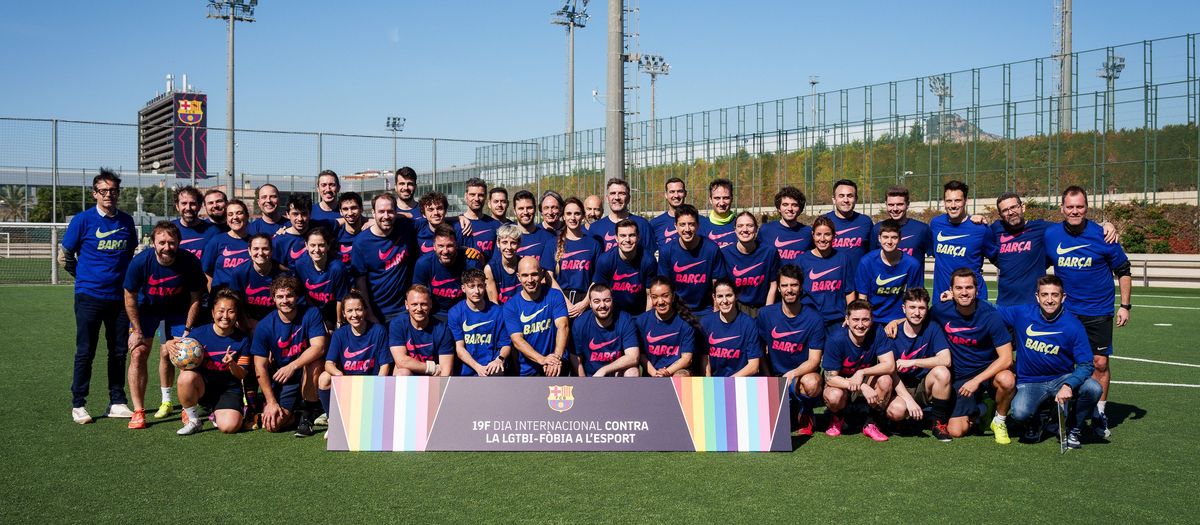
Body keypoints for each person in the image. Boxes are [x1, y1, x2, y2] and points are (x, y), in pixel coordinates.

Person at [1044, 185, 1132, 438]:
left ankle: (1099, 413)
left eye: (1079, 206)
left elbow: (1124, 270)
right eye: (1070, 207)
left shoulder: (1102, 235)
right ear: (1061, 209)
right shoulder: (1050, 234)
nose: (1074, 211)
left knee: (1100, 363)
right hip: (1065, 312)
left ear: (1087, 207)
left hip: (1098, 310)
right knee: (1063, 362)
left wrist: (1125, 306)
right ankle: (1062, 412)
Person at [62, 169, 139, 424]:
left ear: (118, 193)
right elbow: (66, 256)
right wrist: (84, 278)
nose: (108, 195)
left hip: (119, 300)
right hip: (89, 297)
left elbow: (129, 256)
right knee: (85, 351)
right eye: (103, 191)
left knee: (118, 352)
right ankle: (79, 404)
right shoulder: (82, 220)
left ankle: (117, 401)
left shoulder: (127, 222)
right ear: (95, 193)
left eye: (113, 191)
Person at [999, 275, 1103, 449]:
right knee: (1019, 414)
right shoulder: (1023, 313)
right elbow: (992, 309)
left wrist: (1069, 384)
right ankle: (1041, 417)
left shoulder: (1073, 325)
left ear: (1063, 297)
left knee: (1093, 388)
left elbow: (1086, 364)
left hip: (1061, 378)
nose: (1049, 300)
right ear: (1037, 296)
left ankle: (1074, 428)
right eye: (1045, 294)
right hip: (1030, 381)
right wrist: (956, 298)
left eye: (1054, 295)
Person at [122, 221, 205, 429]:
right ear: (153, 243)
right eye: (162, 242)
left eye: (171, 242)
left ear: (179, 242)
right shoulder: (141, 262)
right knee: (138, 353)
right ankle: (139, 411)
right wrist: (136, 330)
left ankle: (187, 410)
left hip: (178, 312)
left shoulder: (189, 261)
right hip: (147, 310)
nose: (167, 247)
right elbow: (129, 295)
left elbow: (196, 297)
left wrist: (187, 330)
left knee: (185, 356)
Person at [927, 267, 1016, 443]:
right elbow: (918, 319)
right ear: (951, 291)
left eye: (969, 288)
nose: (964, 292)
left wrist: (976, 381)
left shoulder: (991, 316)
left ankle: (999, 420)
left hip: (988, 373)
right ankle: (983, 408)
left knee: (1007, 379)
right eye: (959, 288)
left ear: (977, 290)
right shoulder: (940, 310)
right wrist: (895, 322)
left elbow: (1006, 358)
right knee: (956, 431)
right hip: (960, 376)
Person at [989, 191, 1118, 306]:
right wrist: (977, 218)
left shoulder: (1042, 228)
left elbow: (1072, 223)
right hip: (1004, 304)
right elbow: (979, 236)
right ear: (1000, 214)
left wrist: (1104, 224)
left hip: (1033, 303)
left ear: (1022, 207)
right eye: (1005, 210)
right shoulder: (996, 228)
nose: (1010, 212)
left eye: (1013, 207)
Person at [251, 275, 329, 436]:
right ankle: (301, 413)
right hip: (285, 378)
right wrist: (271, 402)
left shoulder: (311, 313)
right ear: (273, 299)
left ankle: (307, 417)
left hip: (306, 371)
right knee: (273, 425)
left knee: (314, 362)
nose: (285, 300)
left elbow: (319, 347)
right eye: (280, 296)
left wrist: (292, 366)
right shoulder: (265, 325)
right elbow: (260, 366)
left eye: (289, 295)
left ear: (297, 296)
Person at [755, 265, 825, 435]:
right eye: (785, 285)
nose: (789, 290)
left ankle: (806, 411)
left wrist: (792, 374)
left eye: (793, 285)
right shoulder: (765, 314)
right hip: (773, 375)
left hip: (798, 377)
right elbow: (758, 350)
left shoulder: (814, 318)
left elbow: (814, 360)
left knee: (812, 383)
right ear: (778, 288)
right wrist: (769, 378)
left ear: (801, 287)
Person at [173, 288, 251, 435]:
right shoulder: (198, 334)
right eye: (221, 311)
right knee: (185, 377)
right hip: (203, 387)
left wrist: (232, 364)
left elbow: (242, 375)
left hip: (228, 390)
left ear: (237, 314)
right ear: (213, 313)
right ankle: (194, 420)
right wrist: (172, 346)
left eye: (231, 311)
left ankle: (220, 412)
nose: (225, 316)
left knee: (229, 427)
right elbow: (182, 358)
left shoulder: (243, 339)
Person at [883, 288, 954, 442]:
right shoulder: (892, 333)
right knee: (896, 411)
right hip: (899, 386)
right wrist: (908, 399)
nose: (917, 313)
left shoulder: (933, 328)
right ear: (904, 308)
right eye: (912, 307)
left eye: (921, 308)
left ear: (927, 309)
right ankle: (897, 421)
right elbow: (890, 372)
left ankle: (938, 423)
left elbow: (946, 359)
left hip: (922, 385)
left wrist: (913, 362)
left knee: (942, 372)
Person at [821, 299, 895, 442]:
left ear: (871, 320)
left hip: (866, 379)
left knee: (886, 380)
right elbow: (830, 378)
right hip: (843, 385)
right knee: (834, 395)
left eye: (865, 320)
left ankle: (871, 422)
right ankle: (837, 418)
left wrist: (861, 373)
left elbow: (890, 365)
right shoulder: (835, 339)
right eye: (855, 320)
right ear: (847, 320)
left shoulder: (877, 332)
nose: (860, 325)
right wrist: (860, 385)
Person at [318, 290, 393, 422]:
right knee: (324, 378)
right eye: (350, 311)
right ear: (344, 314)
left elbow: (385, 365)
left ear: (365, 310)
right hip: (349, 385)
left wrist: (378, 387)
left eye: (358, 310)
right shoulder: (339, 334)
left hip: (372, 385)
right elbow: (329, 364)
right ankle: (334, 421)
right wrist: (339, 376)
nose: (354, 315)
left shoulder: (378, 331)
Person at [352, 193, 418, 322]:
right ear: (373, 213)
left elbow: (431, 220)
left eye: (390, 211)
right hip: (377, 312)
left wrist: (459, 218)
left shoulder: (406, 230)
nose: (386, 216)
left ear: (396, 212)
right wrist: (369, 314)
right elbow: (360, 281)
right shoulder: (361, 242)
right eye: (381, 211)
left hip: (404, 310)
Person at [504, 257, 570, 376]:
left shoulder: (555, 296)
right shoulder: (511, 306)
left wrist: (556, 358)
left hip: (557, 366)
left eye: (534, 274)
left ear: (541, 274)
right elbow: (517, 340)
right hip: (529, 370)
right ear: (518, 277)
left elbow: (563, 326)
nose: (530, 280)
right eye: (525, 275)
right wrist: (542, 359)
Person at [929, 180, 995, 300]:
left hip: (971, 299)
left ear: (966, 201)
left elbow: (997, 258)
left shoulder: (980, 229)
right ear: (944, 202)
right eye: (949, 201)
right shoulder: (935, 224)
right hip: (942, 297)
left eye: (957, 200)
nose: (953, 205)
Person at [657, 204, 728, 313]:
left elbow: (718, 285)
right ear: (675, 226)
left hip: (705, 310)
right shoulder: (667, 251)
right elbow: (664, 286)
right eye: (682, 224)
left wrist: (716, 313)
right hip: (677, 311)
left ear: (698, 225)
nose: (687, 229)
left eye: (691, 224)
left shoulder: (711, 249)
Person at [797, 216, 857, 333]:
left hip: (837, 321)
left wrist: (850, 316)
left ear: (834, 236)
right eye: (818, 234)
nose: (823, 239)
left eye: (827, 234)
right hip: (810, 321)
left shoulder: (843, 259)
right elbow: (796, 292)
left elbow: (849, 291)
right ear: (813, 235)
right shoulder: (802, 260)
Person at [855, 219, 922, 323]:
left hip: (902, 321)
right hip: (874, 320)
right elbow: (863, 298)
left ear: (900, 238)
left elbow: (915, 301)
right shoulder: (866, 262)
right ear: (879, 239)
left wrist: (899, 322)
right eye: (885, 237)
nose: (889, 242)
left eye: (894, 237)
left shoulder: (912, 265)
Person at [448, 269, 513, 376]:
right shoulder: (455, 313)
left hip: (492, 368)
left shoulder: (498, 312)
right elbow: (459, 348)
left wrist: (499, 360)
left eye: (480, 286)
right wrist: (478, 368)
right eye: (472, 286)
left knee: (498, 370)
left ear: (485, 286)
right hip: (467, 370)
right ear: (463, 288)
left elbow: (506, 345)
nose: (476, 291)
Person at [413, 223, 485, 319]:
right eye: (441, 246)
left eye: (449, 246)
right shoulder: (424, 264)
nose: (445, 251)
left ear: (456, 245)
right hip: (435, 314)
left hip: (464, 313)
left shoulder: (470, 262)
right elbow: (418, 294)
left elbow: (478, 294)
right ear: (434, 246)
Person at [570, 285, 640, 377]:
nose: (602, 305)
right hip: (591, 377)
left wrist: (604, 370)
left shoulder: (625, 320)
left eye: (607, 300)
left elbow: (633, 357)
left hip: (616, 374)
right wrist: (584, 383)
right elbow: (575, 357)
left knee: (633, 372)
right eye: (597, 301)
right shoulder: (580, 323)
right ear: (590, 304)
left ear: (612, 301)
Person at [636, 277, 699, 377]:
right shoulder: (641, 321)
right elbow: (641, 355)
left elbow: (687, 359)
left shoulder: (686, 323)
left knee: (680, 376)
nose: (660, 302)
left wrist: (666, 372)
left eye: (665, 296)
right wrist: (655, 373)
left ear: (673, 296)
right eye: (655, 297)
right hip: (652, 373)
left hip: (677, 371)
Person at [593, 219, 658, 315]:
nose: (627, 240)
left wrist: (645, 321)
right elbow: (599, 294)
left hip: (639, 313)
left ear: (638, 237)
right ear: (616, 238)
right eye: (623, 236)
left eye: (631, 235)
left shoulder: (648, 260)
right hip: (612, 315)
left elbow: (650, 295)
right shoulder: (605, 260)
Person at [388, 285, 455, 376]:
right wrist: (432, 368)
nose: (419, 309)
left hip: (433, 378)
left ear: (430, 304)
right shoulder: (398, 324)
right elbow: (401, 361)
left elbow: (446, 371)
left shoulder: (442, 329)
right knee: (402, 373)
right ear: (406, 305)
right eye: (414, 304)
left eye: (423, 304)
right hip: (415, 373)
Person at [722, 211, 779, 316]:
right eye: (740, 226)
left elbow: (773, 284)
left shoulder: (769, 252)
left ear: (756, 229)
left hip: (762, 307)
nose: (745, 230)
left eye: (749, 226)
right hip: (736, 307)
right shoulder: (725, 253)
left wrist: (767, 312)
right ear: (735, 230)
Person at [702, 278, 763, 377]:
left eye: (729, 295)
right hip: (714, 384)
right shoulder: (706, 322)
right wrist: (708, 383)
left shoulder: (749, 324)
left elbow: (754, 366)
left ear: (736, 296)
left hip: (741, 382)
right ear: (714, 297)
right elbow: (705, 358)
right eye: (720, 296)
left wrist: (728, 383)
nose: (724, 301)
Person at [292, 226, 350, 328]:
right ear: (306, 246)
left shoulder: (337, 268)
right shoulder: (300, 265)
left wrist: (339, 323)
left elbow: (340, 299)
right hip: (312, 312)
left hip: (333, 314)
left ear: (328, 246)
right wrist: (316, 317)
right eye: (312, 245)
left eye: (321, 245)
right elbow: (304, 294)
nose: (317, 250)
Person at [869, 186, 932, 279]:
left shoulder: (922, 229)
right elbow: (872, 260)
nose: (895, 209)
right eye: (891, 205)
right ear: (886, 204)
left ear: (907, 204)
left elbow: (939, 258)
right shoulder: (877, 229)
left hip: (912, 291)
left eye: (899, 204)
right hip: (884, 289)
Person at [227, 234, 287, 329]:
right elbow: (235, 303)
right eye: (256, 249)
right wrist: (246, 324)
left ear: (271, 251)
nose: (260, 253)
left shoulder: (283, 274)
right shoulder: (239, 273)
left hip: (277, 323)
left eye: (265, 249)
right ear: (249, 251)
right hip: (249, 322)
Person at [555, 197, 602, 318]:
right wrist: (565, 302)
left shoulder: (593, 244)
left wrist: (585, 302)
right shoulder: (553, 243)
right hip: (560, 300)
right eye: (569, 214)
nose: (573, 217)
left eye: (577, 213)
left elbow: (597, 276)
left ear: (583, 216)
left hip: (585, 300)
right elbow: (549, 277)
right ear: (563, 216)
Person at [589, 178, 654, 254]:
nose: (617, 198)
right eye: (613, 193)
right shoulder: (595, 228)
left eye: (621, 193)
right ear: (607, 198)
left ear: (629, 198)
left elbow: (650, 258)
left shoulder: (642, 225)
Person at [201, 199, 251, 292]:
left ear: (247, 216)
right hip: (221, 299)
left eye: (239, 213)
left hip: (246, 298)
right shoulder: (216, 241)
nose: (235, 217)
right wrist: (212, 295)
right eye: (230, 214)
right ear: (227, 220)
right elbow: (207, 271)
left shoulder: (253, 242)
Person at [823, 179, 873, 268]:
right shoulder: (824, 221)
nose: (846, 200)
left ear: (856, 199)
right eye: (841, 196)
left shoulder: (865, 222)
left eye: (850, 196)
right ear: (834, 199)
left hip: (858, 280)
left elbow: (873, 253)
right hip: (831, 280)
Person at [757, 186, 812, 266]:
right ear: (779, 208)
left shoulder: (808, 233)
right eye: (785, 204)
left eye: (794, 205)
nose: (790, 208)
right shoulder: (766, 230)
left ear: (800, 209)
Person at [511, 190, 558, 270]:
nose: (525, 212)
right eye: (521, 208)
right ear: (514, 211)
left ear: (535, 209)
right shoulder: (507, 237)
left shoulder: (549, 237)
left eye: (529, 208)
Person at [172, 186, 217, 260]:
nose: (188, 208)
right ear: (177, 206)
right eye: (184, 203)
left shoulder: (213, 232)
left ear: (199, 206)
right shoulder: (169, 229)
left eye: (192, 204)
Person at [459, 178, 500, 260]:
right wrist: (457, 217)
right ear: (465, 196)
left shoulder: (496, 225)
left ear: (485, 197)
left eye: (480, 195)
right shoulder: (456, 224)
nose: (477, 199)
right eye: (472, 195)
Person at [486, 223, 525, 305]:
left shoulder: (524, 265)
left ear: (519, 244)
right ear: (498, 243)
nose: (509, 247)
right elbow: (494, 302)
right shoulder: (490, 269)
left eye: (513, 243)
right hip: (501, 313)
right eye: (504, 242)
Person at [272, 194, 312, 268]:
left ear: (310, 214)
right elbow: (275, 266)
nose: (300, 218)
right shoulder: (278, 241)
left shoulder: (318, 236)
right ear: (287, 215)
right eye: (295, 214)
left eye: (304, 214)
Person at [650, 177, 688, 249]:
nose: (676, 196)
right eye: (672, 192)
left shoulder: (698, 221)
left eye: (680, 191)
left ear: (685, 193)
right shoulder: (654, 224)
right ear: (666, 195)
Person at [699, 178, 737, 249]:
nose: (722, 203)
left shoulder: (741, 226)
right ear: (710, 200)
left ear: (732, 199)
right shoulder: (700, 227)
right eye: (717, 198)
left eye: (726, 198)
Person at [415, 191, 456, 255]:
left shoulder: (456, 230)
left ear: (445, 211)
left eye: (439, 208)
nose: (435, 213)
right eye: (430, 209)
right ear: (424, 214)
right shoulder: (418, 232)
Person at [335, 192, 365, 265]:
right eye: (345, 209)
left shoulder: (369, 233)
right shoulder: (335, 235)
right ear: (341, 212)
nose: (350, 213)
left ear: (361, 209)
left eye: (353, 208)